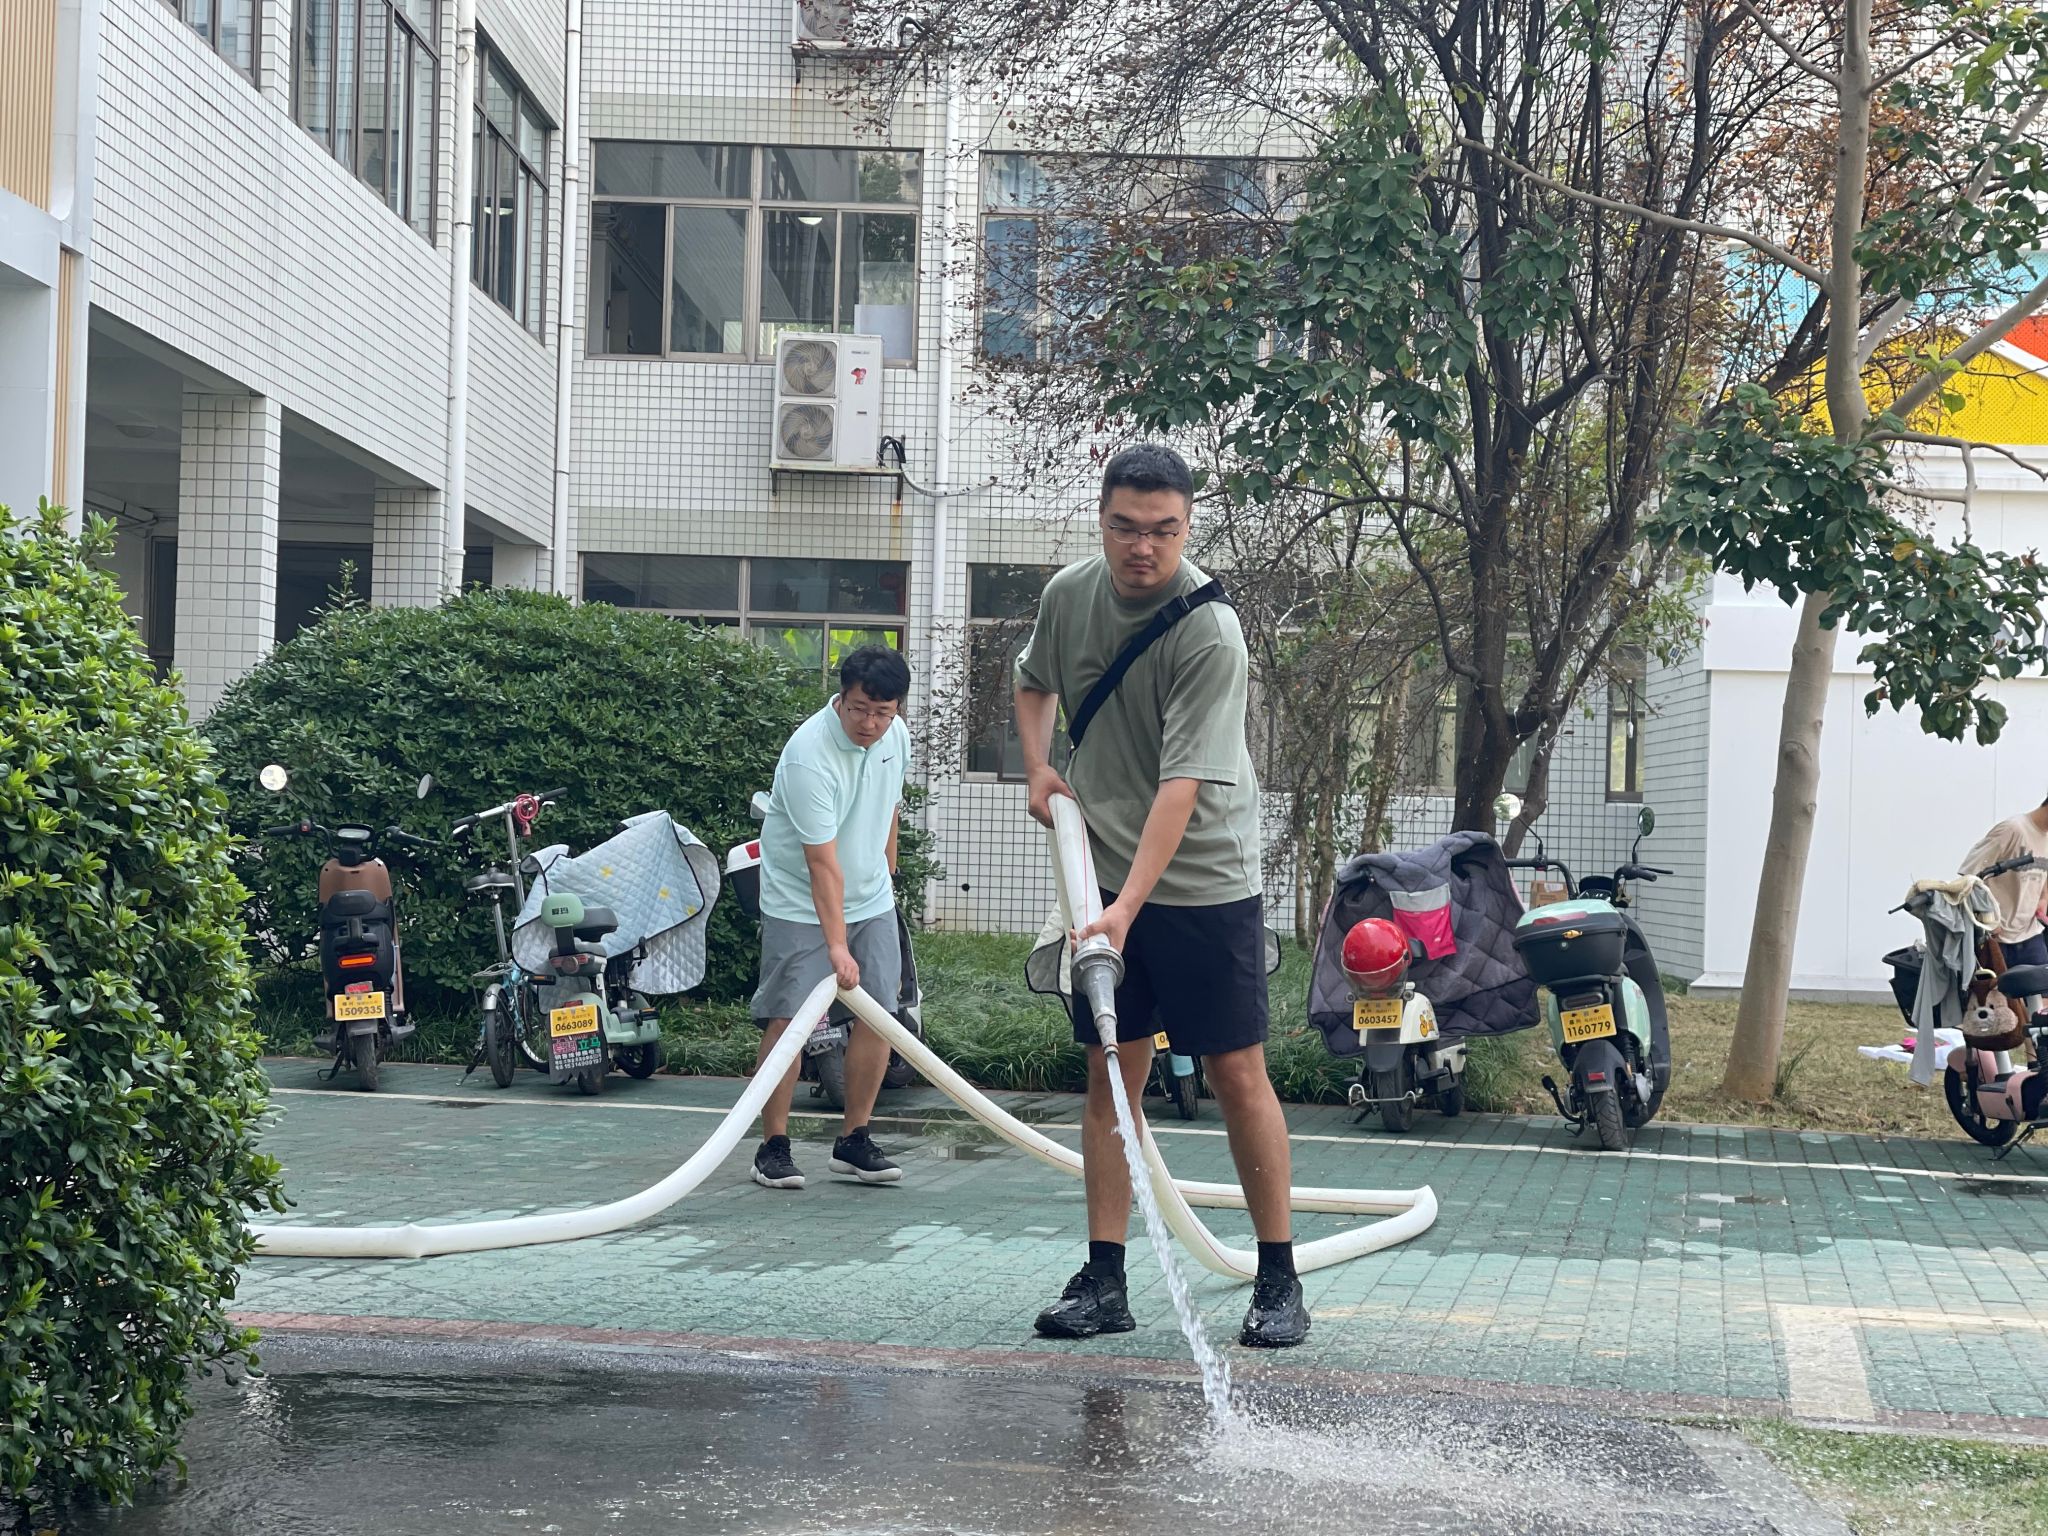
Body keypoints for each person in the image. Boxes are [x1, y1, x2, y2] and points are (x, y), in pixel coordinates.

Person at [1012, 442, 1310, 1349]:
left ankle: (1279, 1279)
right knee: (1113, 1072)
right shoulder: (1070, 595)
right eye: (1126, 527)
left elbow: (1181, 788)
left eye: (1164, 530)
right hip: (1104, 874)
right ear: (1102, 521)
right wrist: (1038, 767)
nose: (1144, 547)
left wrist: (1123, 912)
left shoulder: (1209, 632)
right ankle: (1104, 1279)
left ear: (1187, 527)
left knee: (1235, 1071)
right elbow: (1032, 680)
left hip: (1203, 880)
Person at [749, 645, 913, 1192]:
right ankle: (773, 1146)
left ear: (897, 709)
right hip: (800, 902)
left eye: (882, 712)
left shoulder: (896, 736)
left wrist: (889, 870)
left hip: (871, 898)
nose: (870, 723)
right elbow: (821, 865)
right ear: (841, 698)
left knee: (881, 1016)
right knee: (789, 1019)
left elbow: (890, 805)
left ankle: (854, 1139)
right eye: (860, 709)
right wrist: (837, 947)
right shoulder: (808, 756)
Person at [1960, 797, 2048, 967]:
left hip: (2031, 935)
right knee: (1997, 985)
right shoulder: (2012, 829)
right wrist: (1987, 918)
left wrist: (2044, 897)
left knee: (2042, 983)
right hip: (1998, 939)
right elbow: (1969, 877)